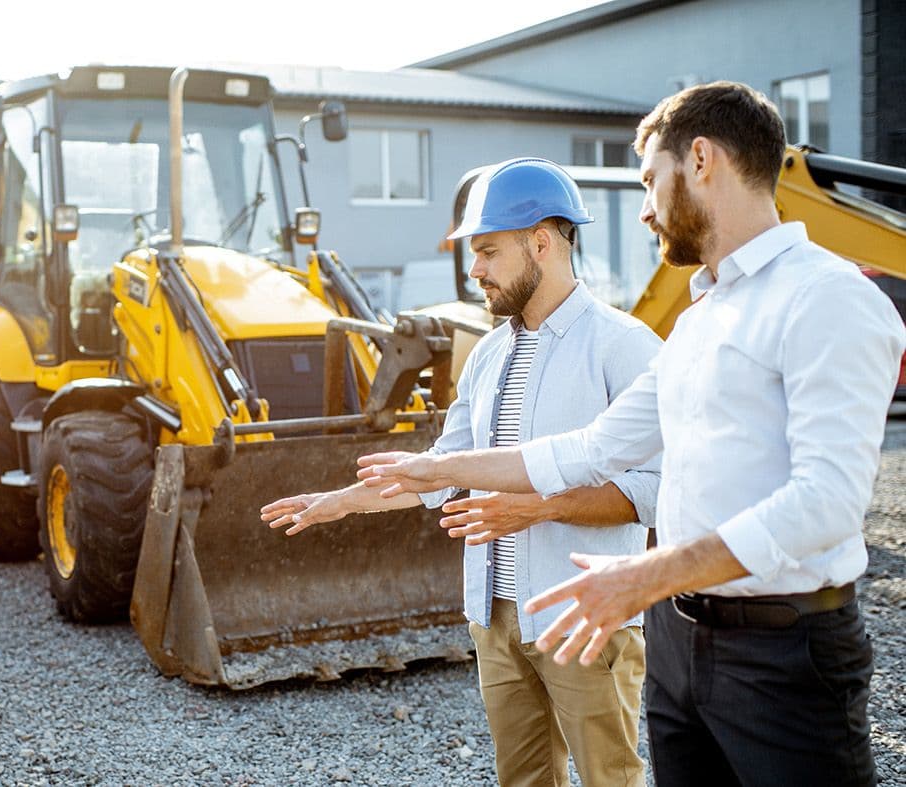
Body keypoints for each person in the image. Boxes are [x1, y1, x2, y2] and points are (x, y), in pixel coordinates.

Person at [357, 81, 906, 787]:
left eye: (650, 180)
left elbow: (827, 501)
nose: (645, 209)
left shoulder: (827, 298)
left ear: (700, 159)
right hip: (681, 644)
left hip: (786, 652)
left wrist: (643, 574)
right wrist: (433, 470)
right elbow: (591, 447)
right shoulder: (700, 318)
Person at [262, 158, 662, 787]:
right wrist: (342, 501)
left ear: (542, 242)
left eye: (487, 251)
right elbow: (444, 472)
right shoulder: (488, 355)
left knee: (612, 779)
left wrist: (542, 507)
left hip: (584, 618)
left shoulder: (624, 346)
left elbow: (652, 493)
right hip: (494, 617)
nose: (474, 269)